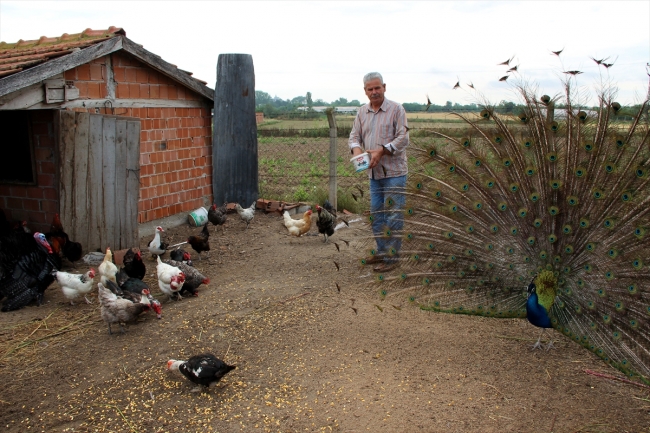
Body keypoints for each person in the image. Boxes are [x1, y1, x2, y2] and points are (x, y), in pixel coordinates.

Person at [349, 72, 409, 273]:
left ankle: (392, 260)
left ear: (384, 87)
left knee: (393, 216)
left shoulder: (396, 110)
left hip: (394, 173)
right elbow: (354, 137)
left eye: (377, 88)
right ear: (365, 91)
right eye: (370, 89)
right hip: (374, 175)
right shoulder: (361, 112)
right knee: (376, 216)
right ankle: (383, 252)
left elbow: (403, 139)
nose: (374, 92)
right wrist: (358, 152)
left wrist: (381, 150)